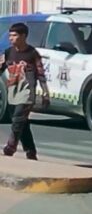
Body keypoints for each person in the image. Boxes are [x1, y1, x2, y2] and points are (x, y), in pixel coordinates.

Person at [0, 22, 50, 160]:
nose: (11, 38)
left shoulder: (32, 54)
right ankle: (31, 151)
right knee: (22, 123)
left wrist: (45, 93)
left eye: (14, 35)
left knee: (18, 119)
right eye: (10, 35)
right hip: (13, 91)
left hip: (27, 92)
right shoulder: (8, 52)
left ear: (23, 36)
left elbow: (41, 73)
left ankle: (10, 147)